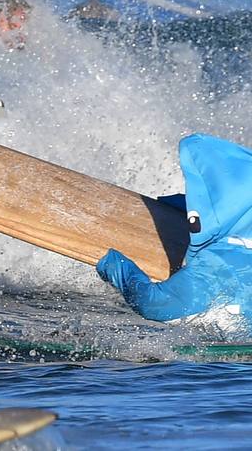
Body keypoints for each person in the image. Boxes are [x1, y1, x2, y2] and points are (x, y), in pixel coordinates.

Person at [97, 133, 252, 327]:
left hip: (230, 258)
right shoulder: (211, 279)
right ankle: (111, 261)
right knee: (154, 304)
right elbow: (152, 304)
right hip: (222, 269)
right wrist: (110, 263)